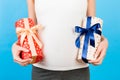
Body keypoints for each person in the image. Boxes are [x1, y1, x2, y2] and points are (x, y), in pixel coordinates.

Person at [12, 0, 108, 80]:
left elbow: (92, 28)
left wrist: (104, 41)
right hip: (42, 71)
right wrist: (17, 45)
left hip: (79, 71)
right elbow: (30, 31)